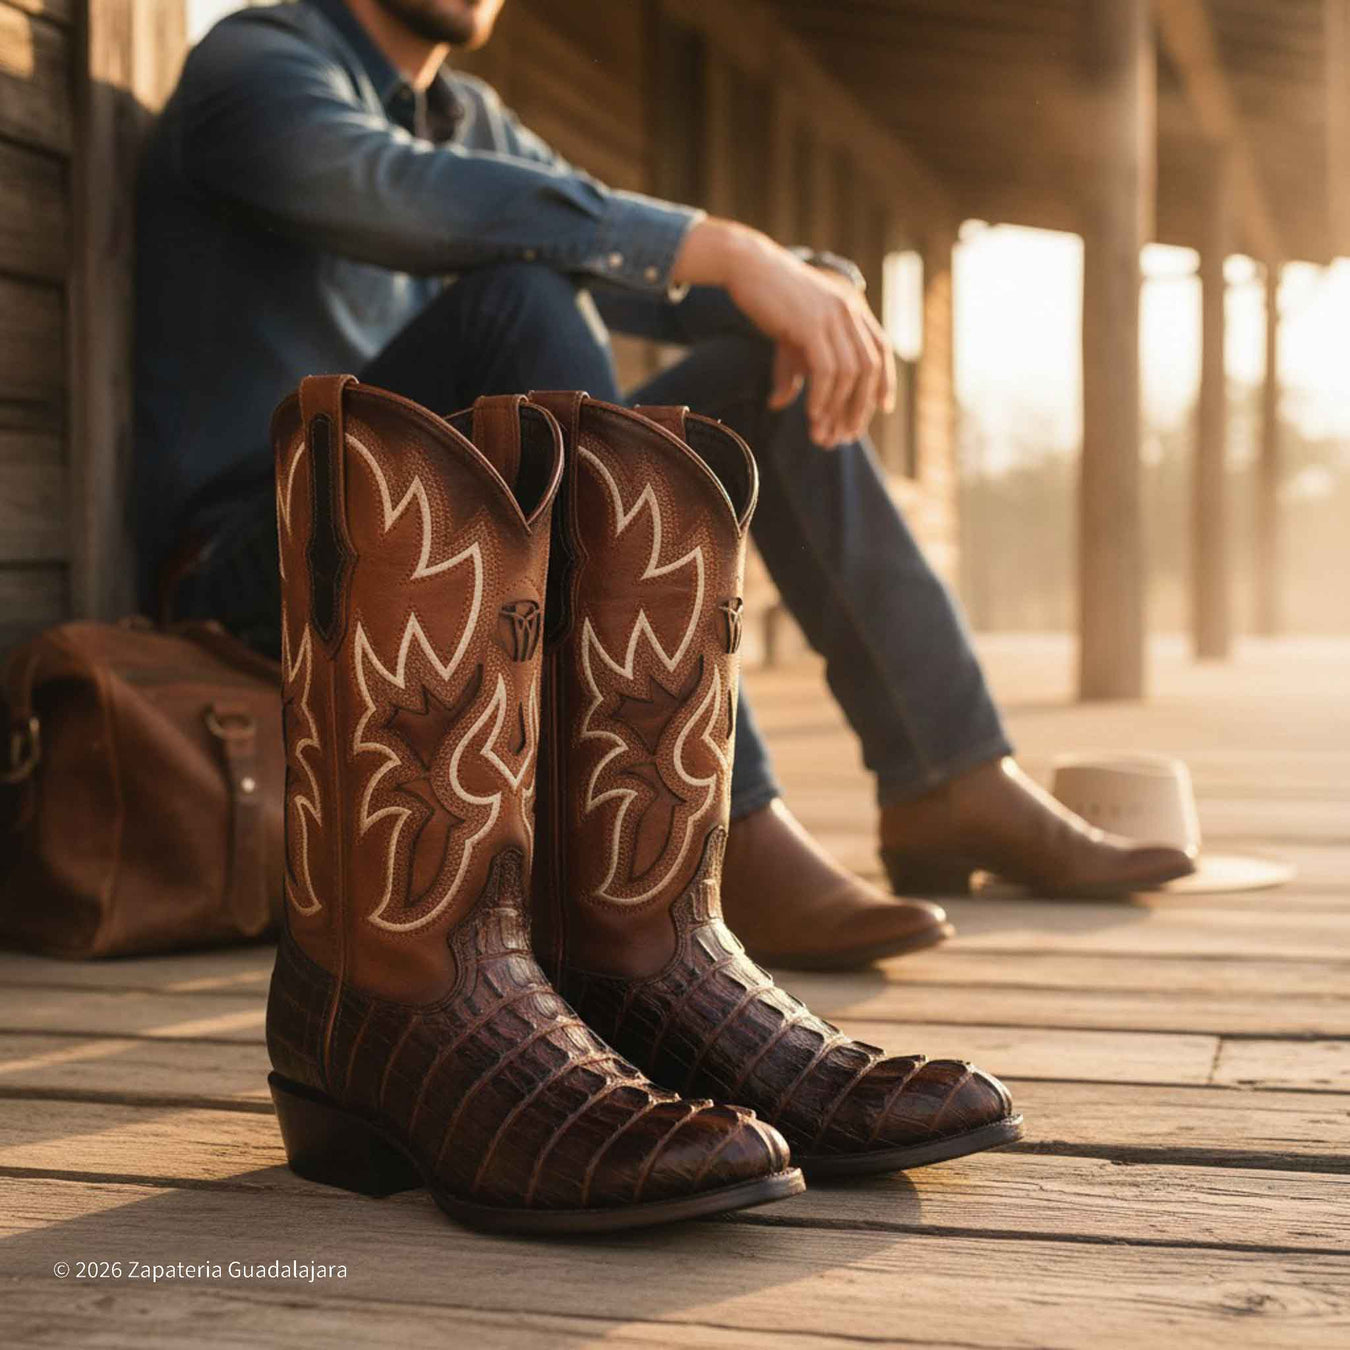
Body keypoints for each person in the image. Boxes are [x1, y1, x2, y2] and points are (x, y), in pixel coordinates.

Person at [134, 0, 1193, 971]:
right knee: (522, 297)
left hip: (431, 566)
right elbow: (404, 195)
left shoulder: (468, 113)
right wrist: (725, 249)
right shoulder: (254, 65)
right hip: (262, 580)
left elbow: (629, 261)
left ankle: (947, 778)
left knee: (762, 365)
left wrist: (798, 283)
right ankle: (709, 832)